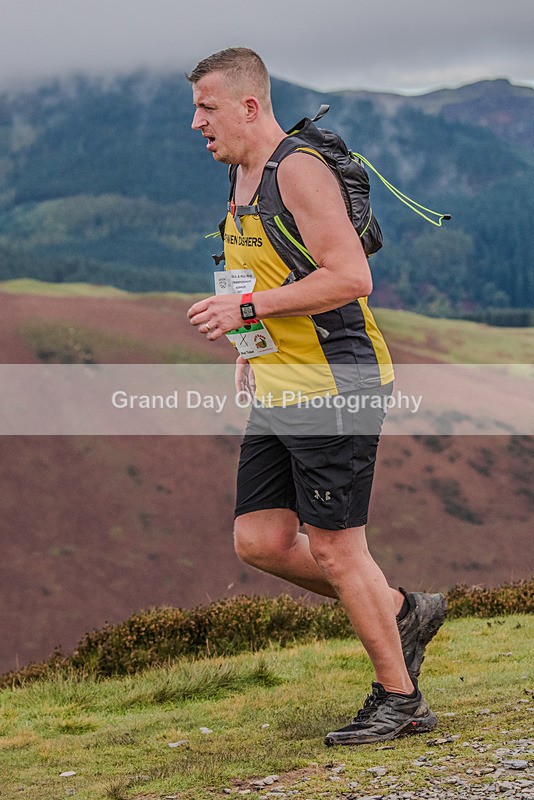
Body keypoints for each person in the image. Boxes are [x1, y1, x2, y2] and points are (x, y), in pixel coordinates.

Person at [186, 47, 446, 746]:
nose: (195, 123)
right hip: (281, 383)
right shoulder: (240, 174)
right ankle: (400, 610)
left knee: (336, 549)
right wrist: (251, 347)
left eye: (206, 108)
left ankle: (402, 701)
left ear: (249, 105)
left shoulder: (298, 170)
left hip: (338, 382)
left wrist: (247, 314)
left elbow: (350, 277)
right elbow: (256, 268)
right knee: (261, 539)